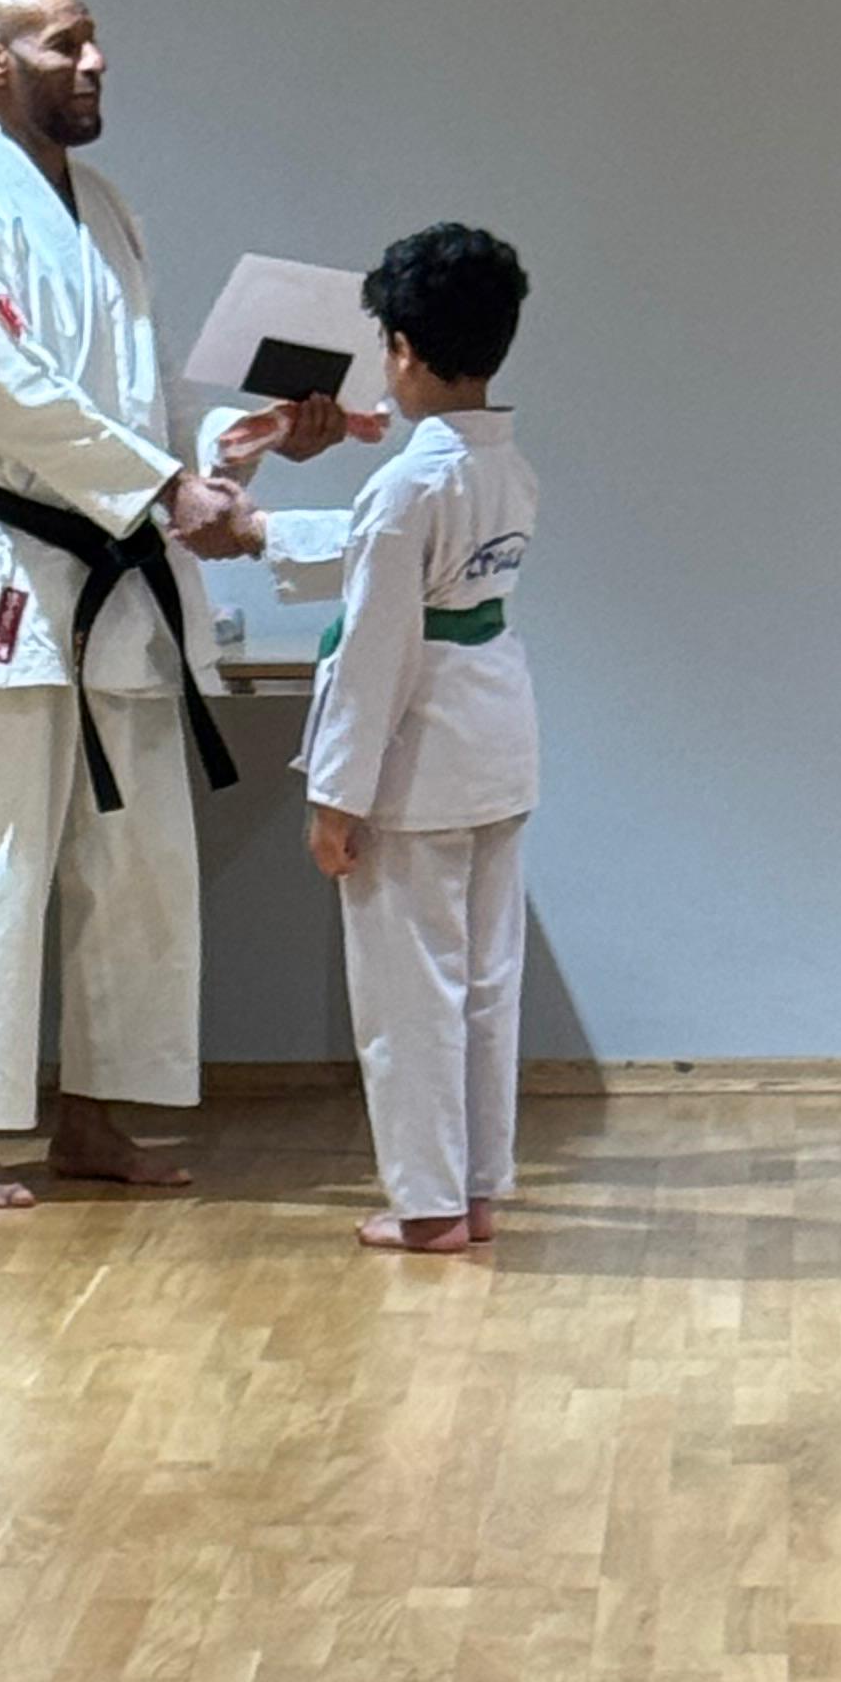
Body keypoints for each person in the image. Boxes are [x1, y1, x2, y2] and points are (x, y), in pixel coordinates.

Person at [0, 0, 342, 1215]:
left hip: (121, 581)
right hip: (11, 578)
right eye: (62, 44)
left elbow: (139, 402)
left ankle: (94, 1119)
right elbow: (15, 400)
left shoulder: (109, 210)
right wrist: (167, 491)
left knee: (132, 866)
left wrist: (252, 437)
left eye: (94, 44)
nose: (93, 64)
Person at [302, 225, 536, 1256]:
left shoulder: (407, 486)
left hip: (416, 756)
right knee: (486, 984)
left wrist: (335, 794)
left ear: (400, 348)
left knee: (411, 992)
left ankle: (428, 1204)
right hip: (495, 733)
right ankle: (476, 1189)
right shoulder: (507, 468)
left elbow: (376, 651)